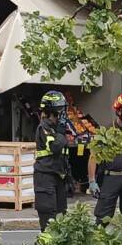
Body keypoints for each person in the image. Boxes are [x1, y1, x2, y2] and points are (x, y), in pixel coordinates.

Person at [88, 93, 122, 224]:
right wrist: (92, 180)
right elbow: (93, 157)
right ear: (119, 112)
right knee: (103, 217)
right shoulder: (107, 131)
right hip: (111, 178)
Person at [33, 90, 74, 232]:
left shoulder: (56, 129)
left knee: (61, 216)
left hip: (58, 177)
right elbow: (55, 147)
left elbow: (63, 155)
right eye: (60, 110)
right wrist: (61, 132)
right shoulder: (44, 127)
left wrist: (69, 177)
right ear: (51, 111)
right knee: (49, 218)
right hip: (45, 177)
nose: (63, 114)